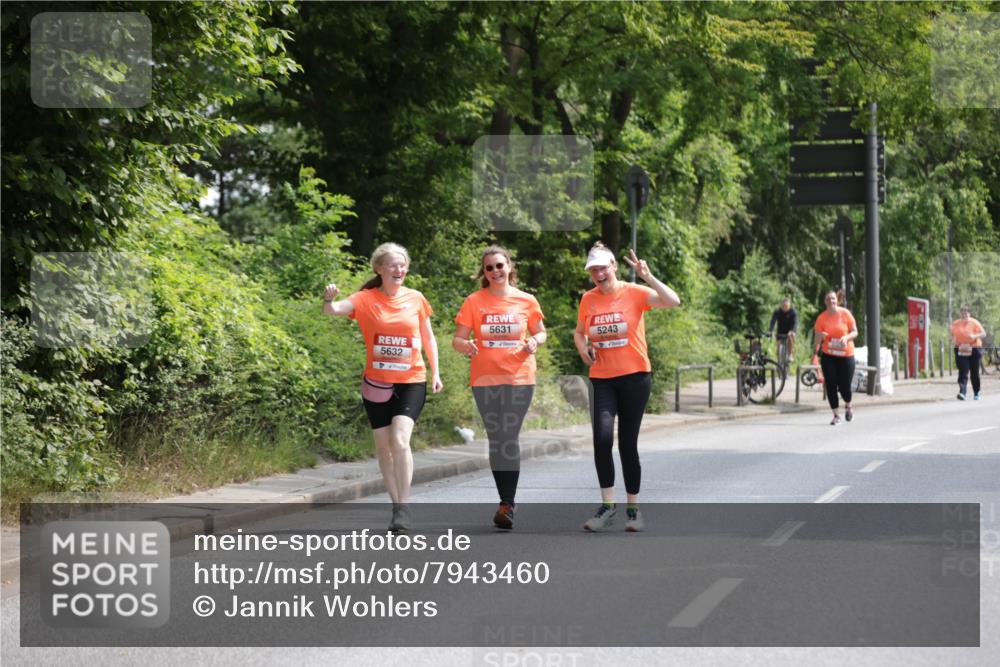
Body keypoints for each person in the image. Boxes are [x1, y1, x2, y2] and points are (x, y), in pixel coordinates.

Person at [323, 243, 443, 533]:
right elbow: (334, 311)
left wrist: (436, 373)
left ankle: (404, 506)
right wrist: (328, 300)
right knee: (384, 448)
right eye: (392, 265)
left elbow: (429, 338)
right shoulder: (365, 299)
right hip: (376, 383)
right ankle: (396, 505)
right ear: (379, 268)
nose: (399, 269)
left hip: (412, 380)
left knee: (400, 440)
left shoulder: (416, 299)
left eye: (402, 265)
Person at [574, 243, 681, 532]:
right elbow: (579, 331)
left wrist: (647, 276)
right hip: (602, 378)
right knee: (601, 438)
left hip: (635, 377)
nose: (598, 273)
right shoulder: (588, 299)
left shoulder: (633, 292)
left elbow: (673, 301)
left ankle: (633, 510)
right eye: (593, 269)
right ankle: (608, 507)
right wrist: (583, 348)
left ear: (614, 267)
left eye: (602, 267)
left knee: (627, 444)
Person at [453, 246, 546, 530]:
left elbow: (541, 331)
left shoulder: (526, 300)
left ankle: (507, 503)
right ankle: (505, 500)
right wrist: (465, 345)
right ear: (484, 272)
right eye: (489, 268)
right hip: (484, 380)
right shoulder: (474, 301)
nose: (495, 271)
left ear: (509, 267)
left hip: (519, 377)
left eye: (499, 265)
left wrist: (535, 341)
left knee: (507, 434)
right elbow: (457, 339)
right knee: (497, 438)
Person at [813, 290, 859, 425]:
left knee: (845, 386)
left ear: (836, 301)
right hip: (829, 355)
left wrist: (846, 337)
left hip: (846, 355)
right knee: (830, 384)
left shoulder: (845, 313)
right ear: (825, 302)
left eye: (833, 299)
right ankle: (836, 415)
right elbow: (816, 339)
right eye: (828, 299)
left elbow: (855, 332)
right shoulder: (821, 318)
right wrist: (819, 339)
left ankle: (848, 405)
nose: (831, 301)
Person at [950, 304, 987, 401]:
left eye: (966, 314)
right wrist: (952, 340)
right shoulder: (955, 323)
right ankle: (962, 392)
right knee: (963, 371)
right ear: (960, 314)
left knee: (974, 372)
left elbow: (983, 333)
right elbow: (952, 336)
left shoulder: (974, 322)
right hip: (961, 348)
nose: (964, 316)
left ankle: (976, 392)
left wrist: (974, 336)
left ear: (969, 314)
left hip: (974, 348)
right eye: (962, 314)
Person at [768, 297, 798, 364]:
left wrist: (792, 331)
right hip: (780, 331)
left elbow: (795, 323)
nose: (785, 308)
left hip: (790, 331)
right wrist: (771, 330)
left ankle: (790, 355)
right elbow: (773, 321)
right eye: (783, 306)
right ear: (781, 306)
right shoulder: (777, 311)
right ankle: (779, 360)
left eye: (786, 306)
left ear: (789, 306)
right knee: (778, 346)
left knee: (791, 336)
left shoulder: (793, 312)